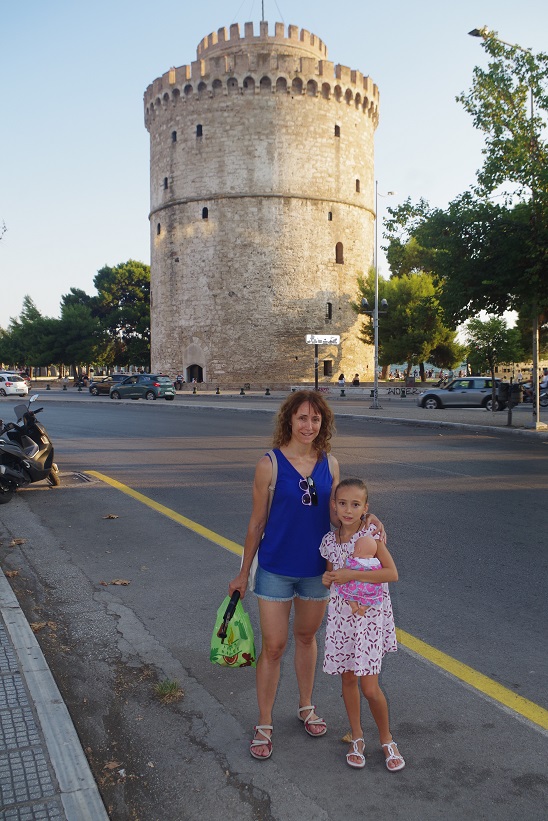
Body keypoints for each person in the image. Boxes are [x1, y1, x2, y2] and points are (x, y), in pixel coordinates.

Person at [228, 391, 383, 761]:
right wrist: (241, 572)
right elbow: (257, 522)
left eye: (315, 419)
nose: (308, 426)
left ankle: (305, 706)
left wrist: (368, 520)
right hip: (275, 569)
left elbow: (336, 517)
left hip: (318, 572)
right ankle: (264, 723)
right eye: (302, 418)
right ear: (289, 420)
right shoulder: (270, 464)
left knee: (307, 637)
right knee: (275, 646)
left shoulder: (330, 464)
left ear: (322, 424)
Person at [320, 478, 405, 772]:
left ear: (365, 508)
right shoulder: (330, 542)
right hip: (342, 618)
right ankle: (357, 736)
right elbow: (331, 576)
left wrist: (350, 576)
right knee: (347, 680)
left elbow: (391, 574)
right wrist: (331, 577)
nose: (348, 509)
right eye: (342, 503)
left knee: (370, 687)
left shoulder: (371, 535)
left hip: (368, 620)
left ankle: (387, 738)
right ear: (334, 505)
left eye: (355, 504)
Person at [334, 528, 382, 617]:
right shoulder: (376, 563)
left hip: (355, 587)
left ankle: (354, 606)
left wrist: (346, 561)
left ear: (358, 550)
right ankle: (364, 607)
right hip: (370, 589)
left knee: (348, 593)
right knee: (370, 599)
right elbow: (380, 573)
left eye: (355, 549)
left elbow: (347, 568)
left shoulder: (355, 562)